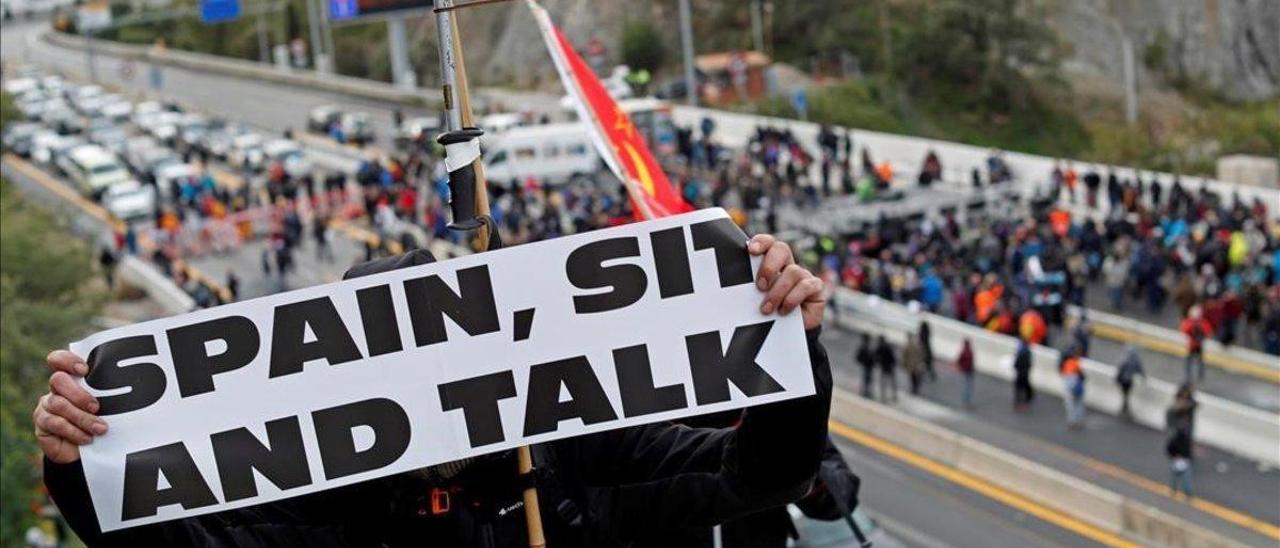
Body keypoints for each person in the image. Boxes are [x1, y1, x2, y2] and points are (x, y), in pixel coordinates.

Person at [34, 235, 835, 547]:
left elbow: (760, 474)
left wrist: (791, 347)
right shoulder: (332, 492)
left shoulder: (576, 448)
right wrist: (81, 464)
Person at [1165, 384, 1198, 498]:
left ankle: (1184, 493)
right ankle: (1175, 490)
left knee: (1184, 476)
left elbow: (1194, 405)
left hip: (1183, 450)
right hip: (1178, 448)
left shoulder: (1188, 409)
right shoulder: (1173, 415)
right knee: (1178, 474)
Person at [1179, 306, 1214, 382]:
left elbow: (1183, 330)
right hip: (1199, 345)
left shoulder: (1188, 322)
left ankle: (1188, 376)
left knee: (1188, 362)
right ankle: (1201, 375)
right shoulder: (1203, 323)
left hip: (1191, 345)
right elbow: (1209, 332)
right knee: (1200, 361)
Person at [1059, 346, 1087, 429]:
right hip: (1078, 388)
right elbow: (1082, 376)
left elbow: (1066, 377)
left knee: (1070, 404)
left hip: (1072, 387)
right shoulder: (1077, 363)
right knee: (1078, 404)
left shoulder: (1069, 364)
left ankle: (1073, 421)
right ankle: (1079, 420)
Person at [1115, 345, 1145, 418]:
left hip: (1123, 380)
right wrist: (1144, 377)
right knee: (1127, 393)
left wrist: (1117, 378)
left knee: (1125, 393)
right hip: (1129, 380)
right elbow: (1140, 369)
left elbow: (1120, 368)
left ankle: (1124, 406)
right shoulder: (1136, 360)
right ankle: (1125, 406)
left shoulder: (1125, 358)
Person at [874, 335, 898, 403]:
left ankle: (885, 396)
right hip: (888, 367)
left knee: (885, 383)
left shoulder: (880, 348)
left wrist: (878, 362)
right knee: (891, 383)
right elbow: (893, 358)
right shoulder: (887, 347)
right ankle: (892, 396)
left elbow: (875, 356)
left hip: (885, 367)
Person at [1012, 339, 1034, 410]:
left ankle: (1020, 402)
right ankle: (1024, 400)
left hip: (1021, 373)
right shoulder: (1027, 352)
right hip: (1024, 373)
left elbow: (1016, 363)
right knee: (1023, 388)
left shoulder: (1022, 352)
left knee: (1020, 389)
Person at [955, 339, 975, 407]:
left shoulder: (965, 351)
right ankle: (966, 400)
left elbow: (959, 360)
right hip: (968, 371)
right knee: (967, 386)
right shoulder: (968, 352)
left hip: (967, 370)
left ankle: (966, 400)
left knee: (967, 386)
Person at [856, 334, 876, 398]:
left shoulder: (865, 346)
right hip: (867, 365)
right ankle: (865, 392)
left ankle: (865, 391)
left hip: (867, 365)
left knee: (866, 379)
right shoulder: (866, 347)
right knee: (866, 379)